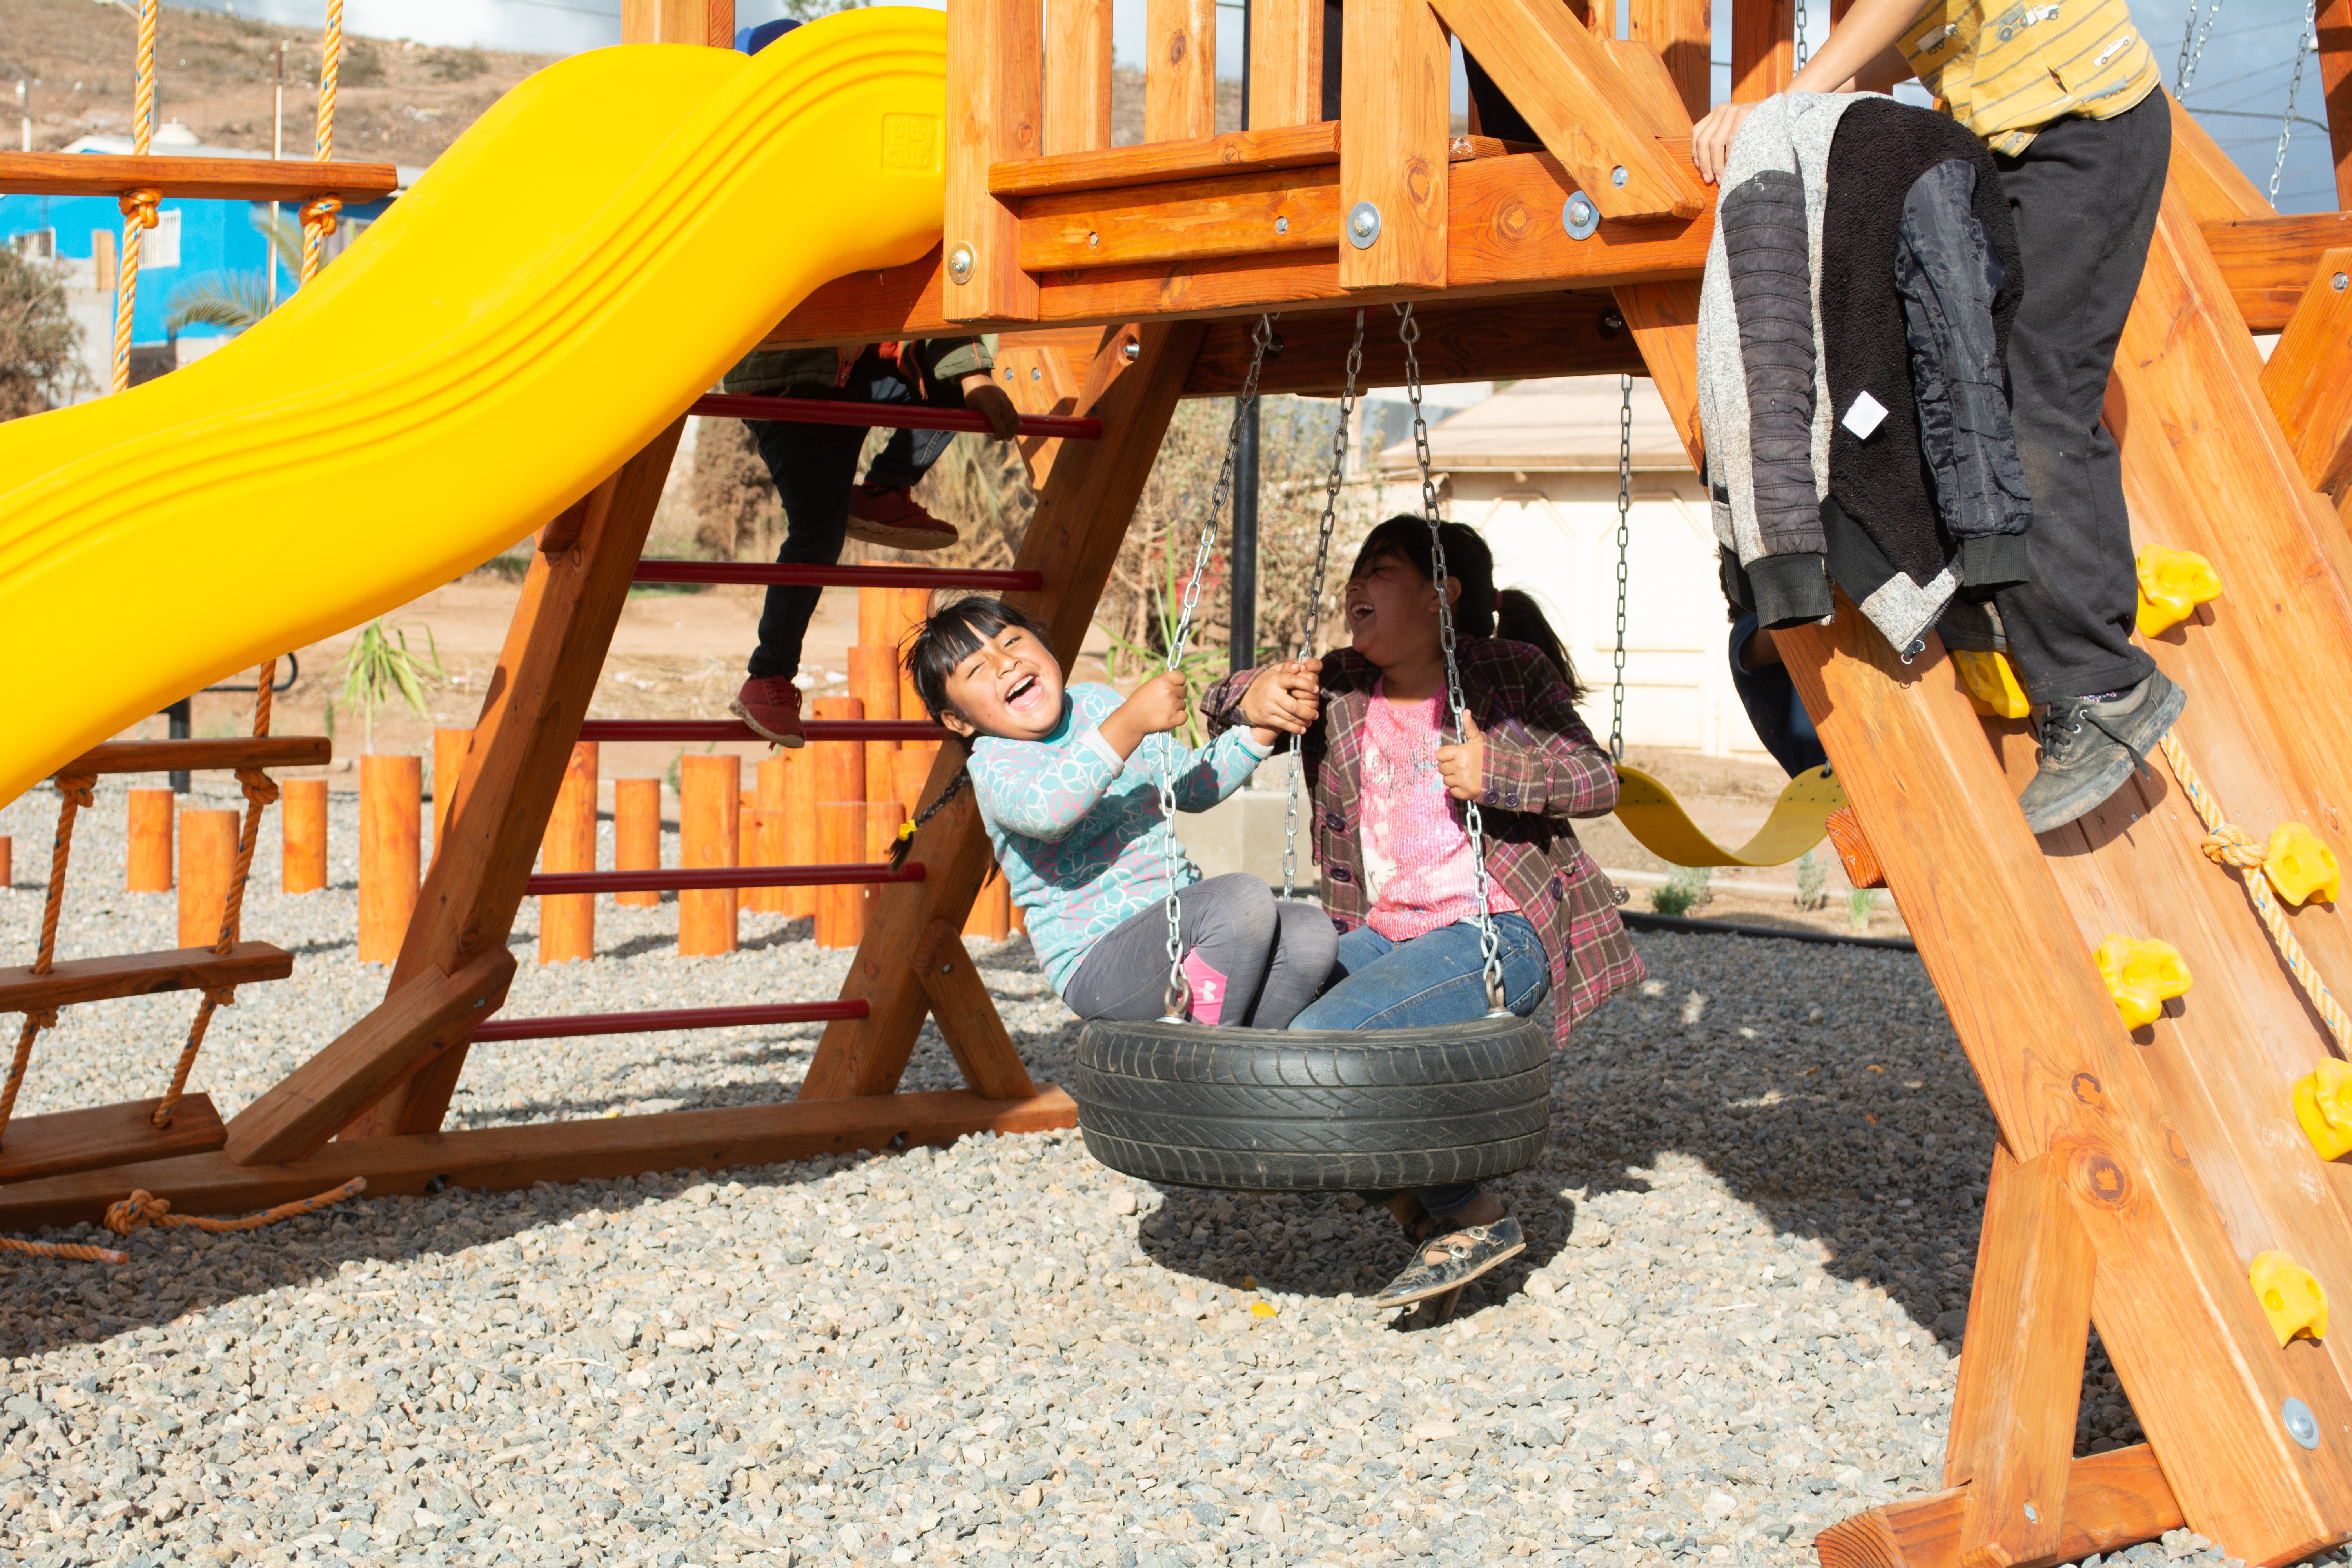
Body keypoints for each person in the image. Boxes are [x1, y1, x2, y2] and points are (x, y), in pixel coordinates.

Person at [1688, 0, 2183, 834]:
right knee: (1946, 371)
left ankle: (2103, 685)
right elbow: (1901, 40)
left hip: (2085, 127)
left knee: (2027, 395)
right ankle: (1988, 596)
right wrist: (1808, 109)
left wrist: (1786, 104)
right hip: (2013, 140)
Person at [1206, 519, 1643, 1312]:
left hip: (1498, 927)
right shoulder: (1340, 685)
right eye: (1355, 574)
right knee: (1267, 1050)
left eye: (1379, 572)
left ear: (1441, 594)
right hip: (1387, 929)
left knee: (1321, 1047)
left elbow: (1597, 778)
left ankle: (1469, 1210)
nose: (1355, 589)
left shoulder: (1504, 672)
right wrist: (1252, 696)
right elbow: (1218, 700)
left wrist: (1497, 769)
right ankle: (1427, 1218)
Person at [720, 22, 1025, 748]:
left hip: (852, 372)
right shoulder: (747, 174)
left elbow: (918, 281)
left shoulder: (851, 167)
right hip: (788, 390)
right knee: (816, 528)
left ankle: (887, 487)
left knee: (949, 385)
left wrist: (975, 375)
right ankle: (770, 677)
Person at [891, 597, 1338, 1029]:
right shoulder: (995, 763)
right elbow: (1048, 810)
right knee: (1239, 902)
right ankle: (1199, 1070)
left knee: (1309, 934)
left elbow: (1191, 785)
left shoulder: (1098, 705)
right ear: (958, 721)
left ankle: (1242, 1063)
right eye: (976, 668)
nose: (1005, 663)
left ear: (1043, 644)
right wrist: (1129, 724)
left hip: (1178, 926)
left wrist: (1263, 725)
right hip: (1096, 958)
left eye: (1011, 642)